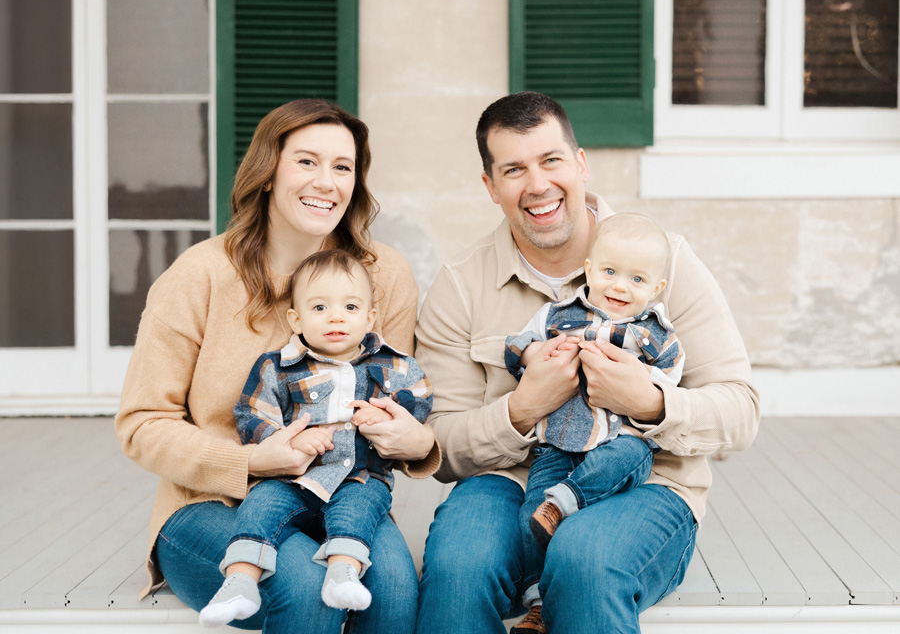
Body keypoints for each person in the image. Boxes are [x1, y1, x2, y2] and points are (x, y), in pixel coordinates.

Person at [414, 91, 759, 634]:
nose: (537, 185)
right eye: (513, 169)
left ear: (579, 163)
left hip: (644, 486)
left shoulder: (664, 259)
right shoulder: (461, 286)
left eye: (551, 160)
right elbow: (440, 447)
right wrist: (523, 408)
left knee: (584, 560)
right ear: (491, 186)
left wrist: (647, 402)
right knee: (459, 570)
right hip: (510, 481)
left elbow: (740, 411)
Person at [115, 99, 439, 634]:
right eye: (306, 162)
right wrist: (249, 462)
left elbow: (393, 401)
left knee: (396, 591)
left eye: (343, 167)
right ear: (268, 173)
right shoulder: (199, 276)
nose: (327, 182)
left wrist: (409, 436)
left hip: (342, 491)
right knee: (304, 589)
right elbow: (142, 424)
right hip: (211, 502)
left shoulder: (383, 276)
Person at [199, 249, 433, 627]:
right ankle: (240, 582)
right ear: (296, 319)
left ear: (371, 317)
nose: (336, 316)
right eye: (320, 307)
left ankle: (342, 575)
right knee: (260, 506)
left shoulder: (395, 363)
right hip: (292, 477)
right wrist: (284, 441)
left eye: (351, 307)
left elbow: (420, 395)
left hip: (358, 476)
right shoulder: (277, 366)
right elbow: (251, 411)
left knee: (357, 511)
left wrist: (391, 412)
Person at [503, 212, 684, 632]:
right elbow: (518, 344)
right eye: (609, 272)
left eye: (637, 280)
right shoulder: (560, 315)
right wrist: (533, 357)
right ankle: (538, 603)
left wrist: (642, 384)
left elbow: (671, 372)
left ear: (656, 290)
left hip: (619, 441)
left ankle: (567, 499)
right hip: (560, 441)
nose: (620, 286)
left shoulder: (652, 332)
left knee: (626, 455)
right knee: (531, 512)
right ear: (588, 271)